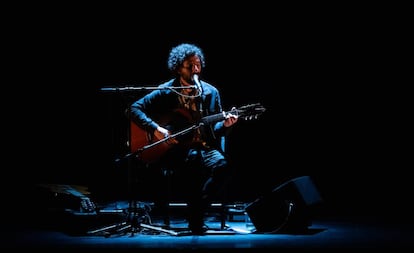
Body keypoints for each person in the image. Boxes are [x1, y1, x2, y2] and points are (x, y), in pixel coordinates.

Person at [128, 43, 238, 235]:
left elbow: (214, 129)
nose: (196, 70)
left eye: (198, 65)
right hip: (174, 149)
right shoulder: (166, 90)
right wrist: (155, 129)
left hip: (204, 147)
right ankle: (196, 219)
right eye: (190, 66)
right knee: (193, 161)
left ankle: (195, 212)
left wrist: (226, 125)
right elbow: (133, 109)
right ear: (178, 67)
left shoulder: (211, 92)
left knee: (224, 166)